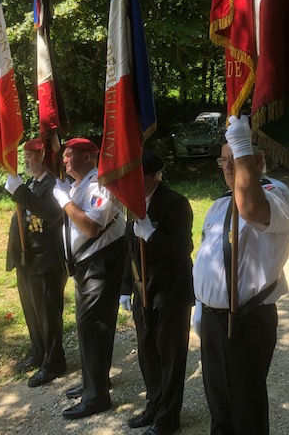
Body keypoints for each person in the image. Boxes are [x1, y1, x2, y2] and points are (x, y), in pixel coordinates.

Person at [192, 115, 289, 434]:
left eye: (235, 158)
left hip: (245, 321)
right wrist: (200, 307)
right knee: (219, 407)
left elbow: (251, 209)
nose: (227, 166)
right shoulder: (218, 205)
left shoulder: (274, 194)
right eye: (223, 159)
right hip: (213, 320)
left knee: (245, 412)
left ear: (257, 161)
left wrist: (241, 144)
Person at [120, 151, 194, 435]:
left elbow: (182, 248)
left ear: (153, 177)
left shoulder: (175, 203)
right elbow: (129, 249)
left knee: (170, 356)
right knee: (147, 353)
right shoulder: (133, 204)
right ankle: (154, 404)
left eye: (136, 177)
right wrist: (126, 288)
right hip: (143, 291)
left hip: (171, 292)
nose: (130, 183)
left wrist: (152, 235)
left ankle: (168, 418)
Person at [51, 137, 126, 420]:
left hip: (100, 263)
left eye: (69, 155)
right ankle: (94, 381)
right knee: (89, 327)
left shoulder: (100, 184)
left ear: (86, 157)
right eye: (64, 155)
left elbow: (92, 227)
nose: (64, 160)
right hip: (86, 264)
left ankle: (96, 397)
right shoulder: (79, 185)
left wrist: (64, 201)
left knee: (92, 326)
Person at [4, 138, 68, 387]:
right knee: (31, 309)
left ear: (43, 156)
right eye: (25, 156)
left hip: (46, 259)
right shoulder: (33, 183)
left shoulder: (55, 185)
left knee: (47, 313)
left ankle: (54, 361)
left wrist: (20, 192)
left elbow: (52, 212)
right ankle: (39, 352)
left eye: (31, 156)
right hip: (27, 257)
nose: (26, 160)